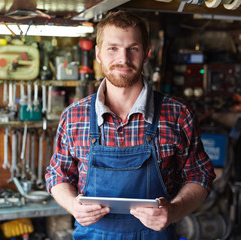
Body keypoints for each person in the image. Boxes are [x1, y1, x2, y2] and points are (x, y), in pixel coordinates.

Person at [45, 10, 216, 239]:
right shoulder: (74, 116)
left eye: (132, 48)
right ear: (98, 54)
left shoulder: (177, 114)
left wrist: (173, 211)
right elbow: (58, 175)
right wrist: (73, 206)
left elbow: (199, 175)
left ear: (146, 53)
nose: (123, 59)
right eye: (113, 48)